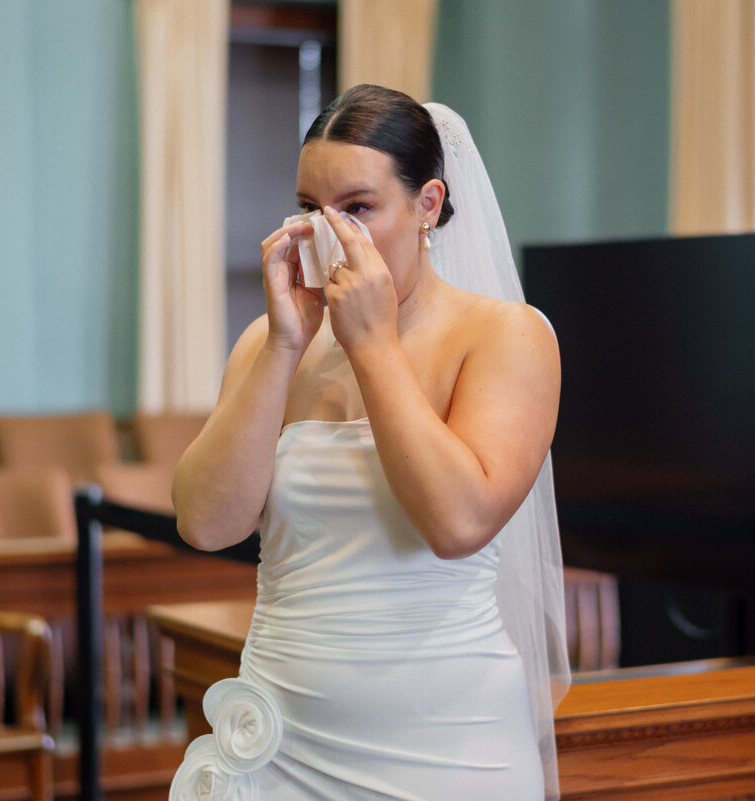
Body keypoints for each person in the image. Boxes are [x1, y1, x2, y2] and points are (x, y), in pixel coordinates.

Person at [169, 84, 570, 801]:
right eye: (308, 209)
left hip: (449, 749)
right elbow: (206, 521)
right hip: (283, 742)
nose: (328, 236)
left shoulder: (507, 336)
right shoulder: (271, 340)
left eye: (356, 208)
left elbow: (458, 523)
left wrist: (373, 347)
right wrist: (286, 344)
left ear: (427, 205)